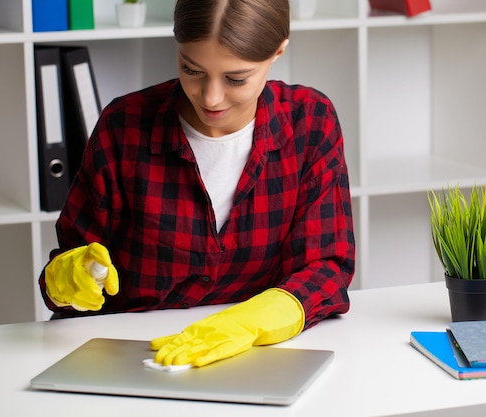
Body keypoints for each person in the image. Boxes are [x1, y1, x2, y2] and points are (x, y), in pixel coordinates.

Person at [39, 0, 355, 368]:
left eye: (236, 78)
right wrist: (65, 280)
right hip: (132, 354)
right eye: (192, 70)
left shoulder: (311, 120)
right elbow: (73, 263)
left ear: (278, 51)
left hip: (247, 355)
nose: (211, 98)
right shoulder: (123, 124)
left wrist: (251, 324)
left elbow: (327, 267)